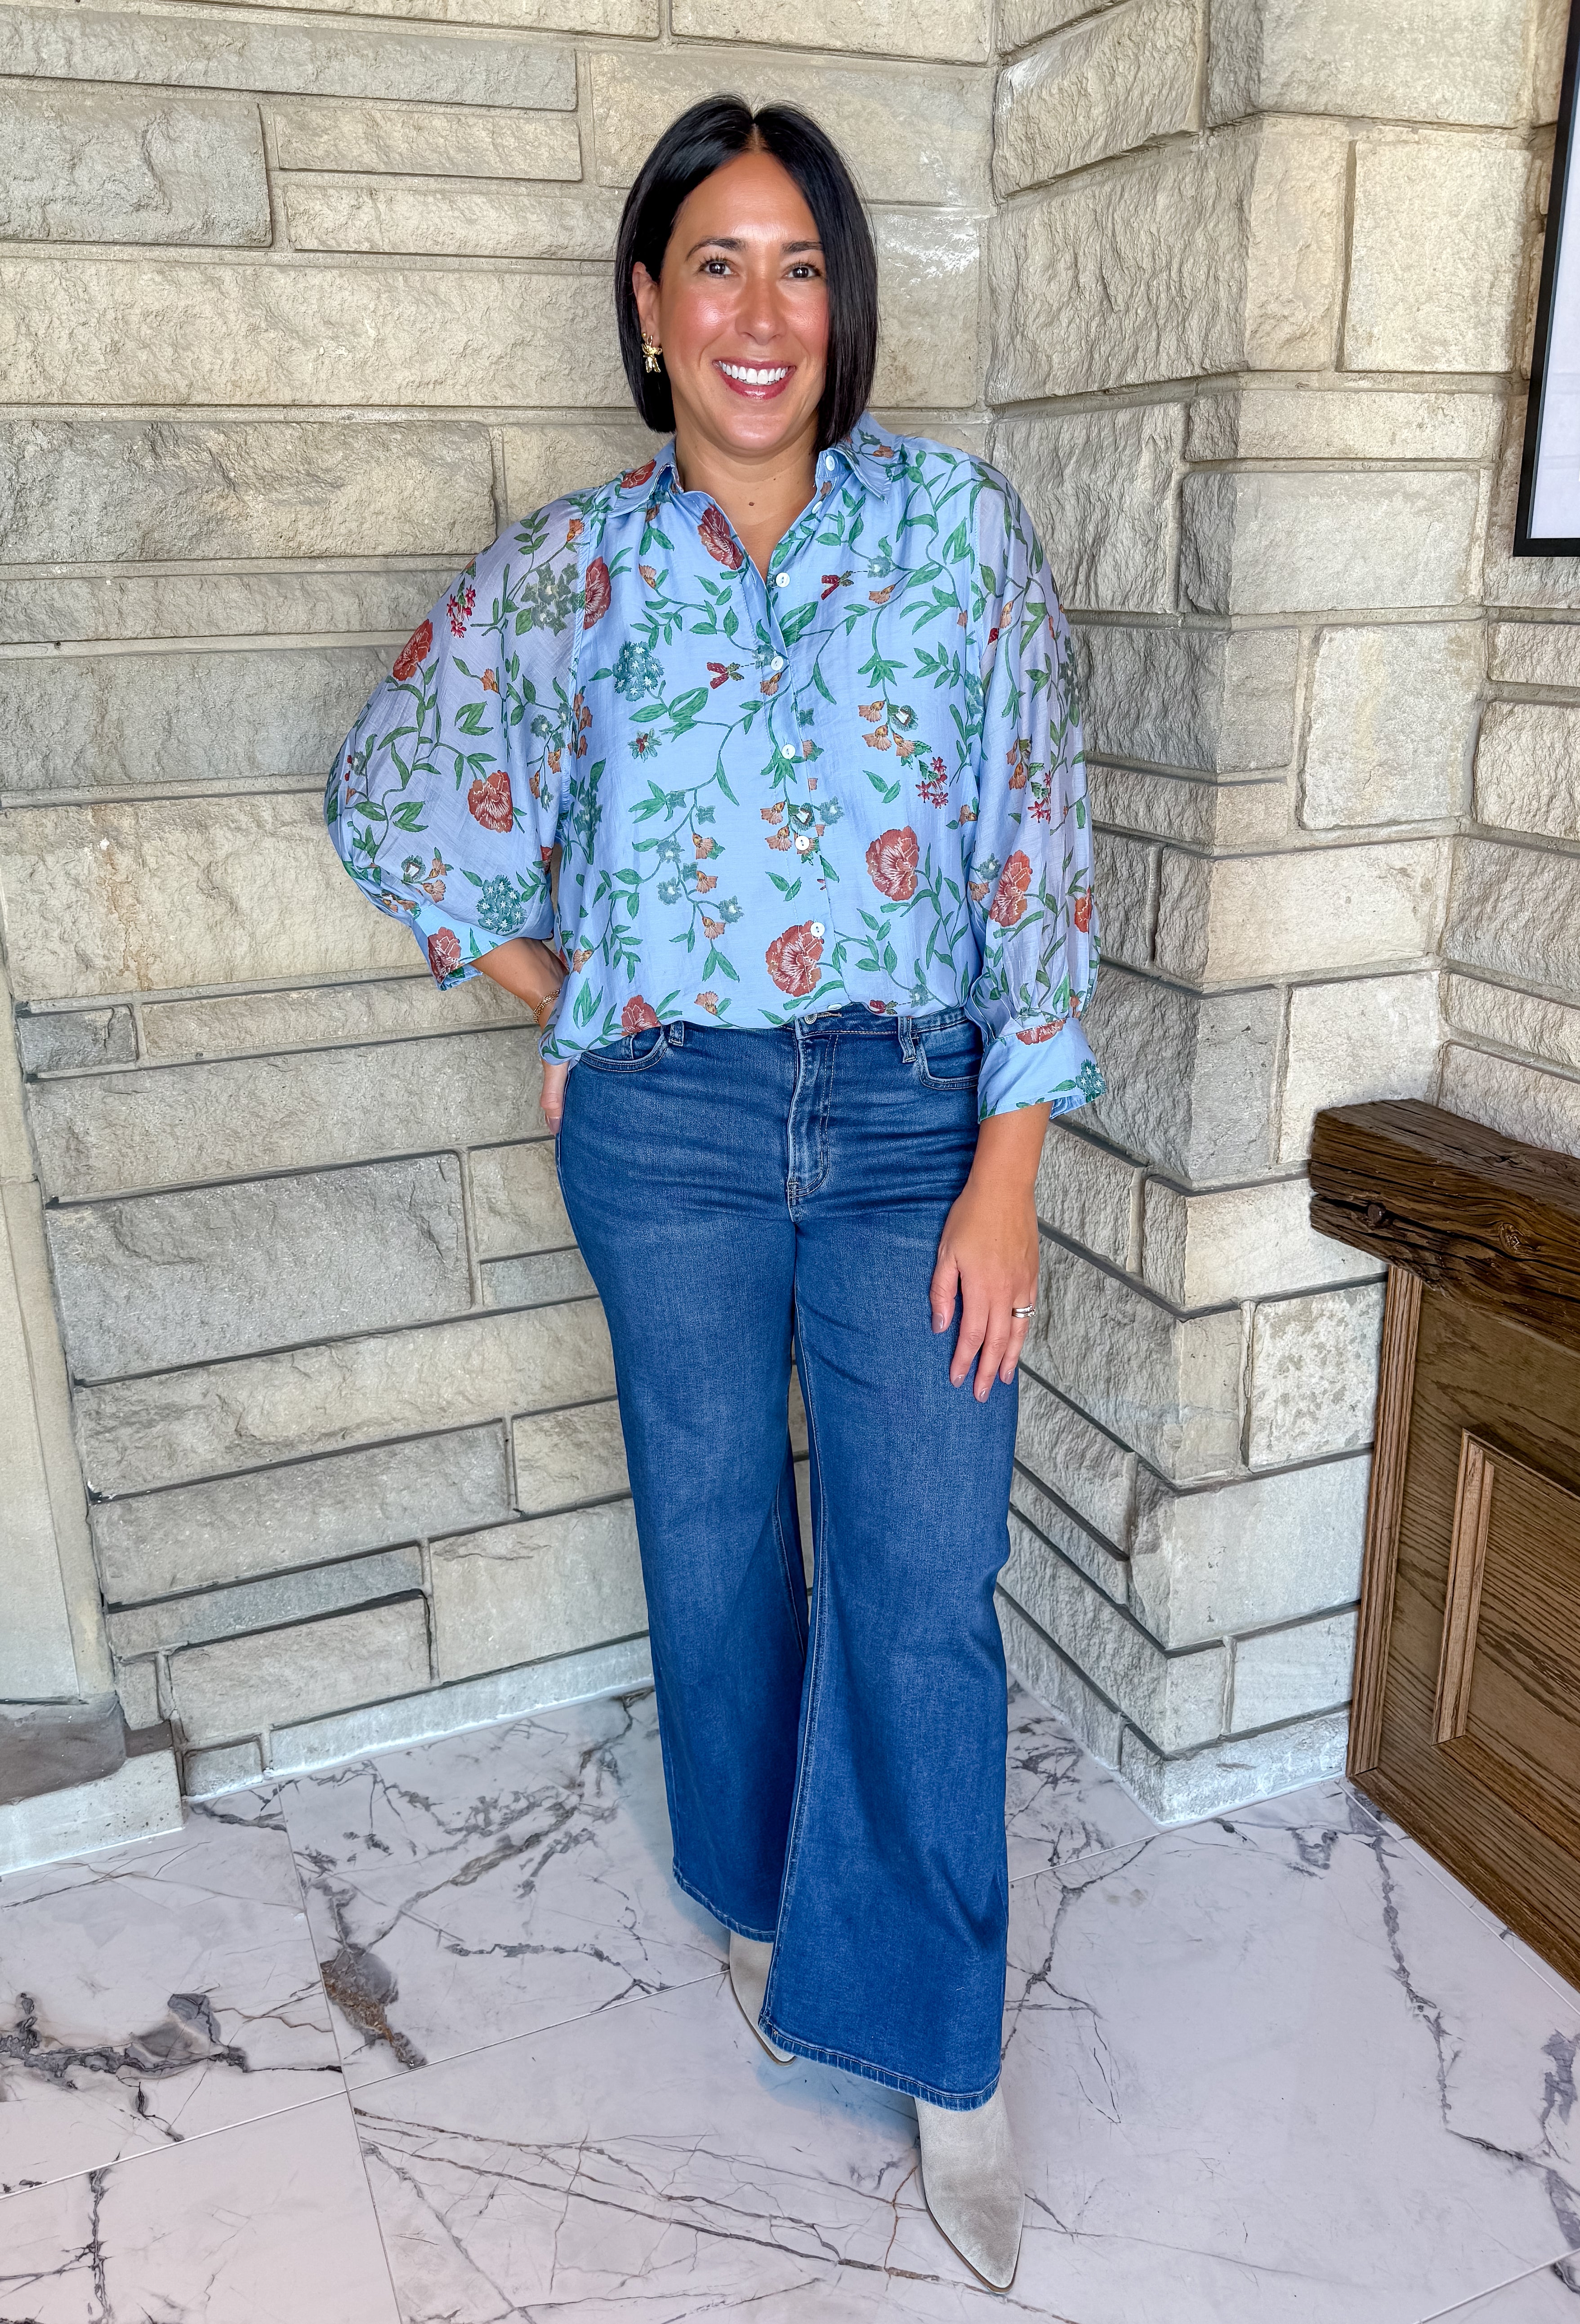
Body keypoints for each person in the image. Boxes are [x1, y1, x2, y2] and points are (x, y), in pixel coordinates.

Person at [326, 95, 1100, 2293]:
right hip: (663, 1129)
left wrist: (1009, 1169)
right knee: (713, 1535)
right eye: (718, 266)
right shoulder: (574, 569)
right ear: (652, 310)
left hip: (911, 1120)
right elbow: (388, 791)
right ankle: (757, 1899)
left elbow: (1038, 852)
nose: (764, 312)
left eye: (802, 265)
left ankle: (943, 2044)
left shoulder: (953, 534)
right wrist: (562, 994)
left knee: (924, 1578)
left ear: (842, 306)